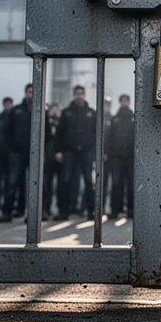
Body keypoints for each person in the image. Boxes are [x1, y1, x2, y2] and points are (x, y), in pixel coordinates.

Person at [56, 85, 99, 221]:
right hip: (70, 151)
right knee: (66, 181)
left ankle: (91, 211)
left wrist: (96, 153)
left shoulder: (92, 113)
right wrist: (58, 151)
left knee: (88, 182)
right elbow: (60, 134)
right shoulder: (66, 112)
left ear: (84, 95)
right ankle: (64, 211)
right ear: (74, 95)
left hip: (87, 152)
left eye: (81, 94)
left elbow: (97, 134)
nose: (79, 96)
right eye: (76, 94)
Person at [1, 84, 34, 221]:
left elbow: (48, 132)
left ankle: (33, 213)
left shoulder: (41, 110)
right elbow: (6, 131)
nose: (31, 94)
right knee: (12, 182)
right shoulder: (16, 110)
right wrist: (14, 146)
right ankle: (6, 213)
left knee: (35, 183)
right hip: (17, 153)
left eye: (33, 92)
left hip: (34, 153)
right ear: (25, 93)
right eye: (29, 92)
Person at [106, 94, 135, 219]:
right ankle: (115, 210)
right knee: (117, 184)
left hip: (131, 157)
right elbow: (109, 137)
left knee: (131, 184)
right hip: (116, 157)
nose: (124, 103)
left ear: (128, 102)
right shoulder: (114, 119)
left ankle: (131, 209)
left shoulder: (134, 119)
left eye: (126, 101)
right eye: (122, 100)